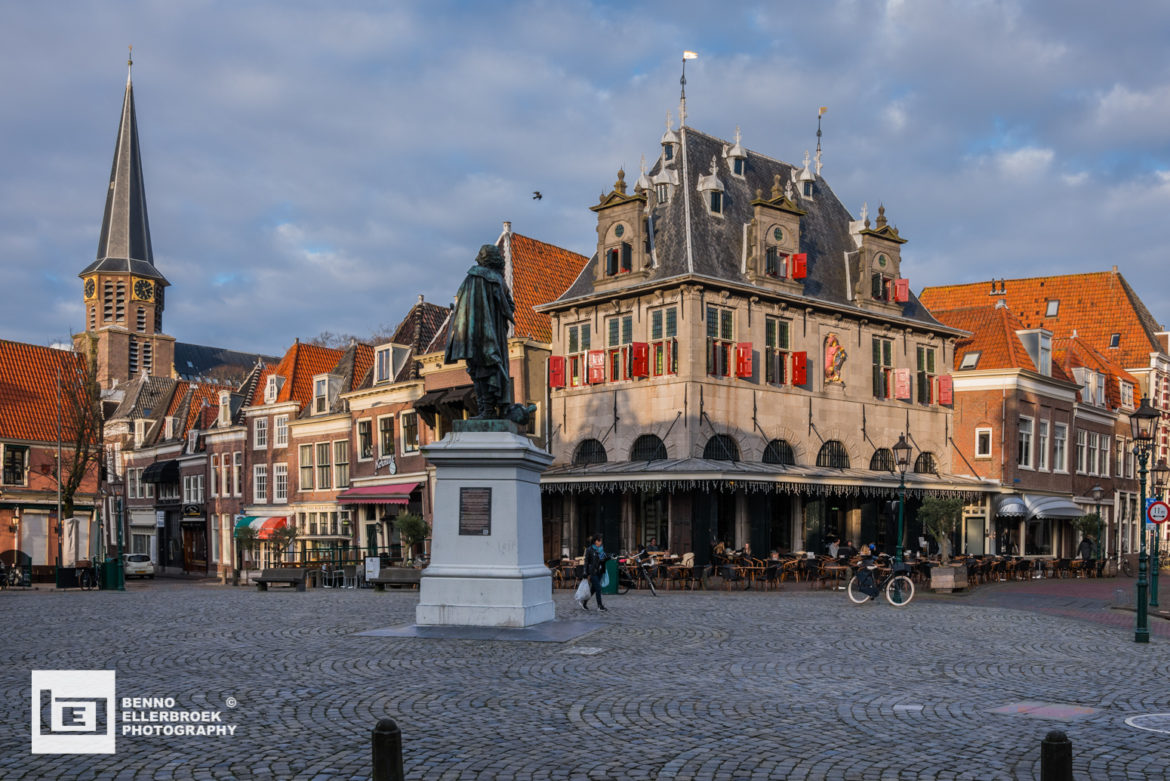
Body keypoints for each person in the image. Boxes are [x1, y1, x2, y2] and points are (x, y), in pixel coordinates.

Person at [444, 244, 516, 420]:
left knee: (479, 371)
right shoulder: (499, 281)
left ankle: (487, 410)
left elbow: (461, 303)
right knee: (488, 370)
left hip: (473, 335)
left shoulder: (472, 278)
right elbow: (510, 307)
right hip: (494, 335)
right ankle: (489, 410)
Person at [581, 535, 608, 612]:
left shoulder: (602, 549)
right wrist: (585, 572)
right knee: (598, 588)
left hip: (600, 571)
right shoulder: (589, 550)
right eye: (600, 540)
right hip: (592, 572)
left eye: (601, 540)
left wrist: (609, 557)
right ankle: (600, 606)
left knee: (593, 589)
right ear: (596, 541)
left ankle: (584, 602)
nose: (601, 542)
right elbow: (586, 562)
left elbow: (603, 559)